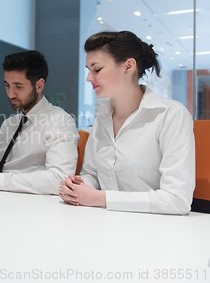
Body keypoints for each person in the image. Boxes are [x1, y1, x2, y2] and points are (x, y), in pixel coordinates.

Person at [59, 31, 195, 215]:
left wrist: (100, 198)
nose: (89, 78)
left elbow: (177, 200)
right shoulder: (102, 118)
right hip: (103, 222)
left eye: (96, 69)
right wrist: (79, 188)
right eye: (88, 70)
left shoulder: (171, 115)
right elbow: (91, 174)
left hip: (155, 231)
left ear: (128, 66)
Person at [0, 51, 78, 194]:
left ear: (39, 85)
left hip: (32, 208)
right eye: (7, 85)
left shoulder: (60, 121)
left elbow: (59, 180)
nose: (10, 94)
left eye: (18, 86)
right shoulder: (9, 124)